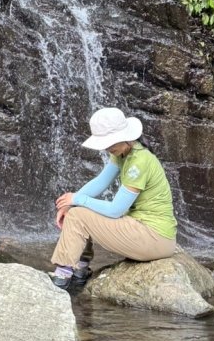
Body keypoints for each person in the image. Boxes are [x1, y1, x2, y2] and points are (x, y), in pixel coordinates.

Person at [50, 106, 177, 290]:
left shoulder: (139, 162)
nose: (106, 147)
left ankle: (61, 279)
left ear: (125, 136)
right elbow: (100, 182)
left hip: (154, 238)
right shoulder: (124, 152)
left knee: (79, 216)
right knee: (78, 212)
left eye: (109, 142)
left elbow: (115, 210)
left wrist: (77, 200)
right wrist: (71, 202)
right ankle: (79, 272)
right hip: (150, 233)